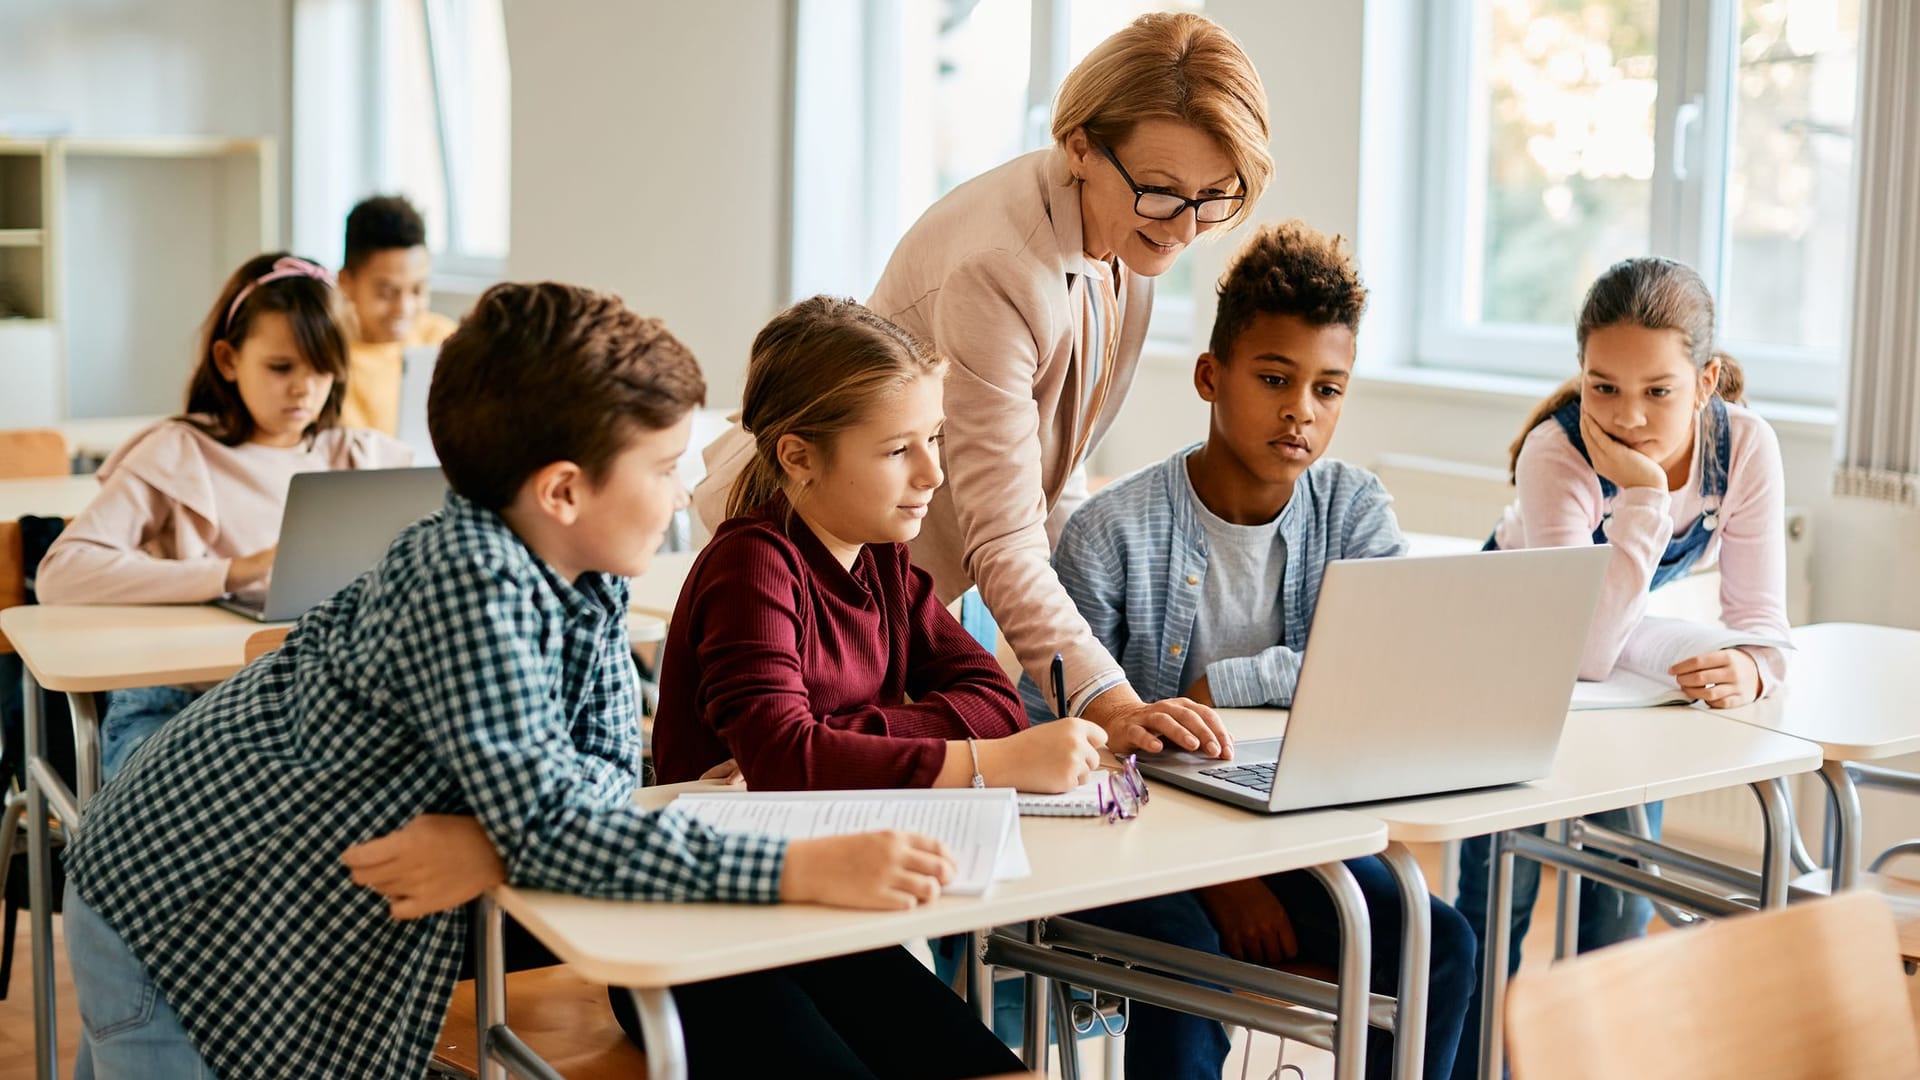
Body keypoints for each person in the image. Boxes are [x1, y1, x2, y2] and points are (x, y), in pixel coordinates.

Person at [58, 282, 1015, 1080]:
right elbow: (565, 823)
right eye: (662, 466)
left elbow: (598, 783)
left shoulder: (589, 576)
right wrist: (798, 865)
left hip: (295, 914)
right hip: (174, 903)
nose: (684, 493)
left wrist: (503, 841)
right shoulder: (469, 577)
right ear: (563, 491)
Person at [1045, 222, 1476, 1079]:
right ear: (1212, 376)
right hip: (1144, 848)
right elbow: (1065, 743)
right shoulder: (1108, 534)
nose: (1301, 412)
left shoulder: (1353, 508)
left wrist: (1223, 684)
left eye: (1328, 389)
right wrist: (1220, 877)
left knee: (1446, 942)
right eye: (1275, 379)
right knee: (1186, 957)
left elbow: (1385, 669)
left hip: (1303, 832)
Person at [1451, 256, 1790, 1080]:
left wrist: (1752, 670)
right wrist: (1641, 496)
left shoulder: (1744, 448)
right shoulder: (1556, 453)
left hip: (1606, 647)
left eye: (1658, 391)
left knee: (1621, 890)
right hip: (1514, 648)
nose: (1629, 416)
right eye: (1603, 387)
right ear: (1581, 377)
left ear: (1706, 380)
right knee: (1500, 899)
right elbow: (1580, 651)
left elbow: (1763, 624)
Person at [36, 252, 411, 780]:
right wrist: (234, 571)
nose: (304, 388)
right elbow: (61, 575)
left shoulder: (363, 457)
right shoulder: (176, 451)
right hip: (180, 704)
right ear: (229, 360)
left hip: (309, 705)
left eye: (322, 368)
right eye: (281, 367)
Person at [335, 194, 458, 433]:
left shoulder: (444, 341)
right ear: (346, 282)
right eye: (387, 293)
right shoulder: (325, 357)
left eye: (417, 290)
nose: (404, 308)